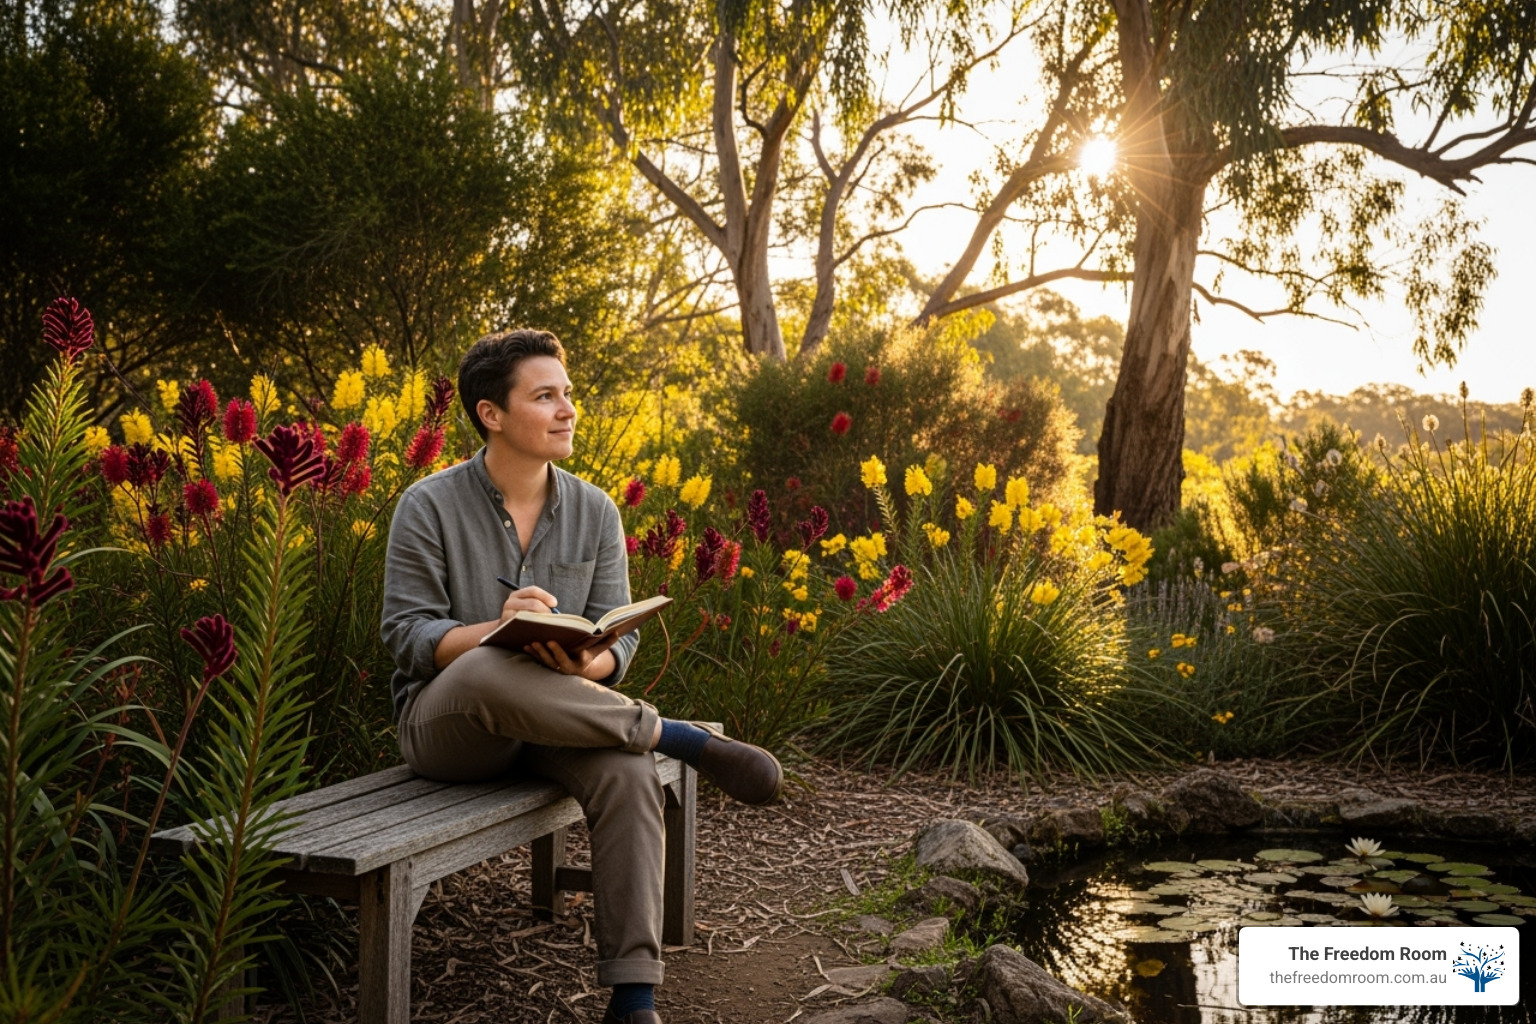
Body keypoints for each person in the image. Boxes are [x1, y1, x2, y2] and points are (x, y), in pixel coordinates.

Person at [381, 328, 782, 1024]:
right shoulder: (428, 505)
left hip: (558, 717)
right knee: (489, 664)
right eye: (545, 396)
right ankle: (676, 736)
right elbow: (406, 636)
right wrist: (496, 628)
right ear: (491, 413)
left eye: (567, 394)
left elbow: (616, 645)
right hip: (451, 728)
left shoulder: (595, 510)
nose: (567, 409)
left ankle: (634, 999)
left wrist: (586, 662)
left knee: (627, 770)